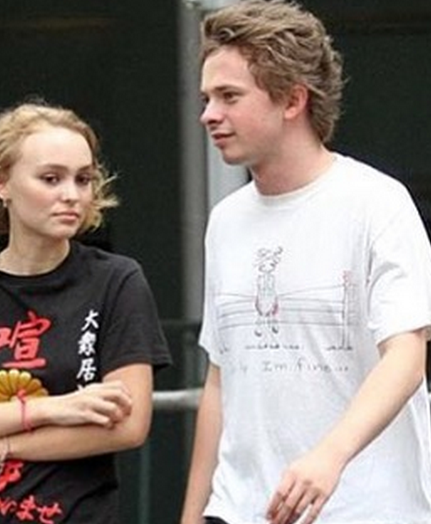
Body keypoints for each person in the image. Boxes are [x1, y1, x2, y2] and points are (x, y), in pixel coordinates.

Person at [180, 1, 431, 524]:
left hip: (364, 510)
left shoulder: (376, 203)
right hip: (240, 509)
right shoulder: (225, 221)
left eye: (229, 96)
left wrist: (329, 456)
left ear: (293, 99)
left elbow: (407, 357)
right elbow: (221, 379)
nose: (208, 114)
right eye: (206, 98)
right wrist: (194, 513)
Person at [0, 100, 172, 524]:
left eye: (83, 179)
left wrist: (1, 445)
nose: (72, 195)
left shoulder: (116, 280)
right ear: (1, 184)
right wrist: (55, 408)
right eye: (51, 178)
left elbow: (128, 424)